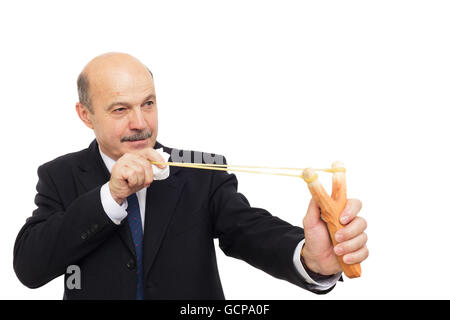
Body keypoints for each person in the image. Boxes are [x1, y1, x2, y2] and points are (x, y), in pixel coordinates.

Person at [13, 52, 368, 299]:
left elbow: (250, 229)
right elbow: (30, 268)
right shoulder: (60, 175)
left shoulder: (203, 170)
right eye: (120, 109)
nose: (140, 123)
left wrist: (309, 258)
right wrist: (110, 197)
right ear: (85, 115)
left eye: (148, 104)